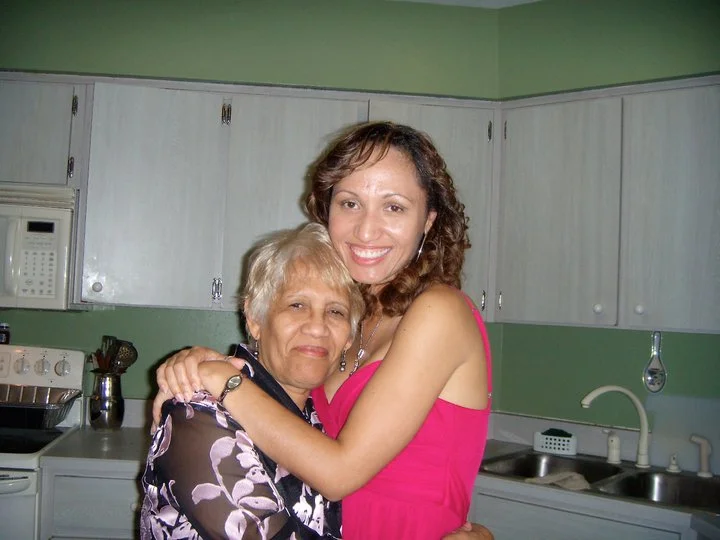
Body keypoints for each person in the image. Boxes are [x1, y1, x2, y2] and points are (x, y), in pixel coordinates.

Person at [155, 121, 493, 539]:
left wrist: (223, 381)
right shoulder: (347, 319)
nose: (366, 230)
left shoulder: (440, 311)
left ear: (428, 220)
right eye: (350, 203)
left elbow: (338, 473)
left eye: (394, 207)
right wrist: (197, 363)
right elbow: (277, 397)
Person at [141, 223, 365, 538]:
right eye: (297, 305)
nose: (317, 327)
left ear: (349, 338)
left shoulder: (326, 419)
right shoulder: (198, 413)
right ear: (255, 319)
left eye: (336, 312)